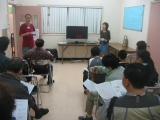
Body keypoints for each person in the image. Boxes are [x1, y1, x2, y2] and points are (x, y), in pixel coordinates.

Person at [79, 54, 125, 120]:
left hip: (110, 99)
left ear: (109, 66)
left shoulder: (111, 78)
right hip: (121, 95)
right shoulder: (121, 69)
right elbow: (106, 70)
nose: (105, 68)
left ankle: (88, 117)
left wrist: (94, 93)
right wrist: (97, 67)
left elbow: (104, 91)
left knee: (90, 95)